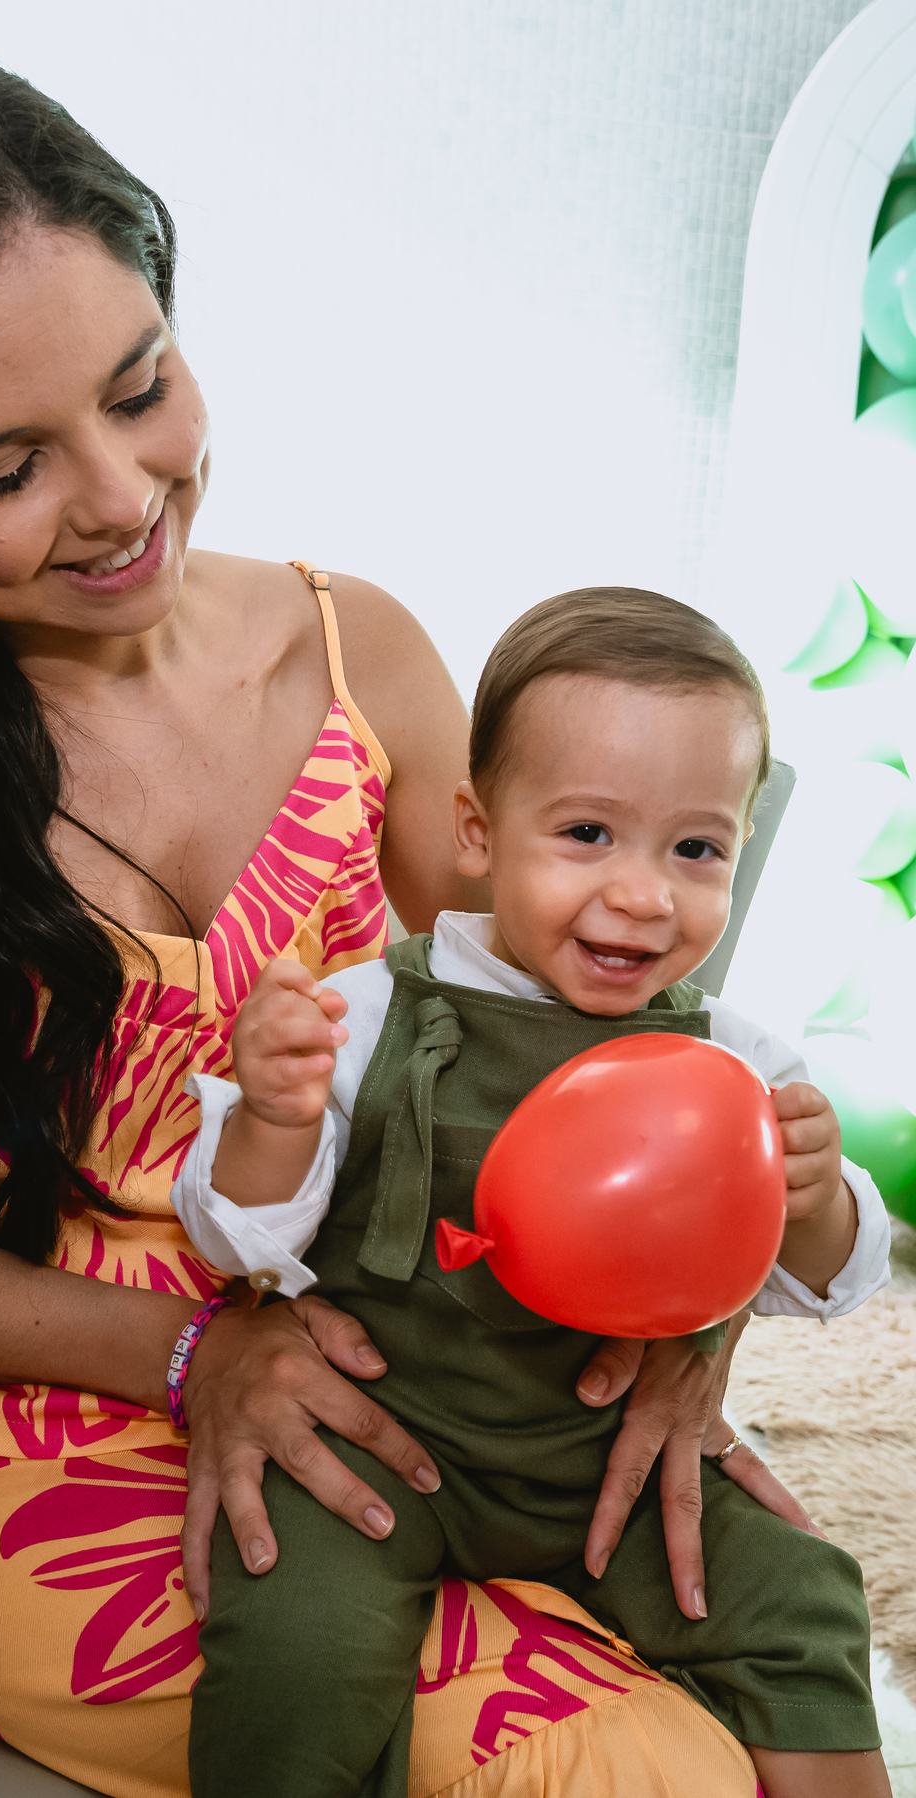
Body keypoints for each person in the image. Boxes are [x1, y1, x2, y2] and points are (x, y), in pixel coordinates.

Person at [0, 43, 815, 1798]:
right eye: (3, 470)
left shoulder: (354, 652)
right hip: (14, 1425)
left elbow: (557, 1038)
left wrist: (704, 1315)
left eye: (141, 383)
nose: (120, 494)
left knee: (798, 1701)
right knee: (636, 1769)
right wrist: (189, 1341)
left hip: (399, 1342)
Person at [176, 589, 893, 1798]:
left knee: (803, 1597)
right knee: (294, 1647)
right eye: (588, 835)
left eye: (697, 849)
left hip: (608, 1455)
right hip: (393, 1445)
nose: (645, 894)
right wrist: (275, 1119)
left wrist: (816, 1200)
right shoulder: (372, 1011)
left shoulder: (735, 1055)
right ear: (477, 827)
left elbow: (818, 1281)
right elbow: (237, 1231)